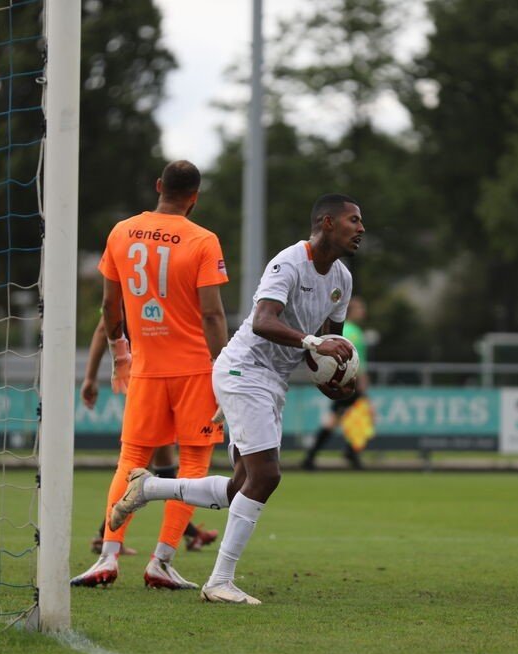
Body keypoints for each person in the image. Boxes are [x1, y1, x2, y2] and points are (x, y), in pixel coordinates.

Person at [108, 193, 365, 605]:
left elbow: (326, 347)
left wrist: (335, 379)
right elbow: (264, 321)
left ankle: (149, 487)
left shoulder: (343, 279)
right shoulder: (288, 263)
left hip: (271, 380)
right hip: (243, 369)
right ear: (327, 223)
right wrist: (315, 341)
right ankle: (219, 580)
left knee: (240, 486)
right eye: (354, 220)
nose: (361, 228)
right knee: (267, 477)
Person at [70, 160, 229, 590]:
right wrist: (226, 371)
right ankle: (161, 561)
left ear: (158, 186)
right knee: (193, 463)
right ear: (195, 197)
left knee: (130, 461)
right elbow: (212, 313)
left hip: (146, 367)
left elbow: (109, 308)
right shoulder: (203, 239)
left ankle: (107, 556)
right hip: (196, 367)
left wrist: (122, 353)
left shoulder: (122, 231)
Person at [79, 318, 219, 556]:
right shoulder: (158, 291)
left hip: (146, 375)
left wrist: (91, 377)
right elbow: (105, 325)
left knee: (160, 461)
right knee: (145, 464)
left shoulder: (131, 288)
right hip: (169, 374)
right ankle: (110, 536)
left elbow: (105, 324)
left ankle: (187, 533)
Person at [301, 295, 371, 470]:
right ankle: (319, 455)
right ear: (351, 312)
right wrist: (361, 383)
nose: (363, 311)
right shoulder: (354, 332)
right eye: (360, 308)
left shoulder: (343, 330)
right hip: (349, 383)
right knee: (352, 417)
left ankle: (343, 453)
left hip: (339, 381)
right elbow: (355, 363)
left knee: (342, 417)